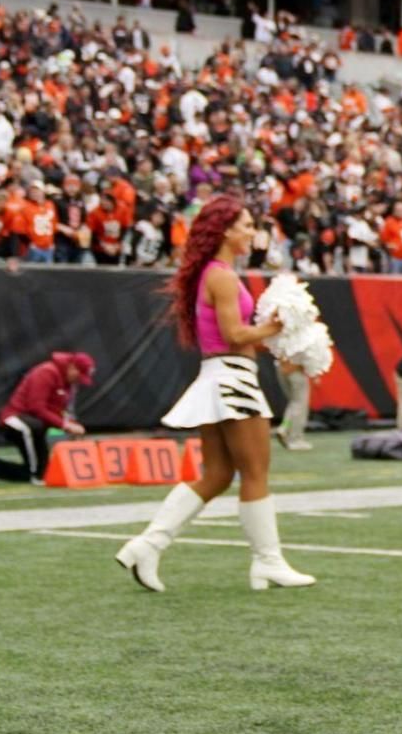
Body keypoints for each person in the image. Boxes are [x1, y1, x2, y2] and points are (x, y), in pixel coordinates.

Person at [114, 195, 314, 591]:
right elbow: (234, 335)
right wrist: (276, 326)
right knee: (255, 473)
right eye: (245, 225)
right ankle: (267, 562)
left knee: (220, 474)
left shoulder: (213, 273)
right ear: (224, 230)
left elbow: (237, 338)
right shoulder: (221, 275)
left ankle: (148, 545)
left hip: (218, 377)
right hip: (233, 381)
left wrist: (287, 339)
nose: (251, 232)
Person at [0, 351, 94, 484]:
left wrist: (71, 424)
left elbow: (59, 410)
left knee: (44, 472)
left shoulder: (68, 385)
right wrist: (65, 426)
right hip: (15, 419)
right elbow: (36, 407)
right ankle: (34, 475)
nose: (79, 381)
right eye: (79, 375)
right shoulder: (46, 372)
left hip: (36, 425)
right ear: (72, 367)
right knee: (34, 436)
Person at [275, 359, 314, 451]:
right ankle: (295, 439)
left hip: (281, 369)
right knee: (299, 405)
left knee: (294, 403)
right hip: (296, 371)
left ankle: (284, 427)